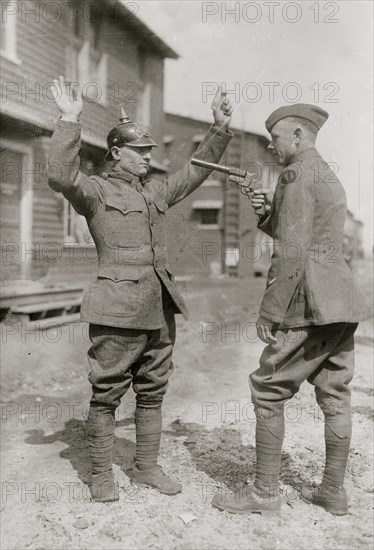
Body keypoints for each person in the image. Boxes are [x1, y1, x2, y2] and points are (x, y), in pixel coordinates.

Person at [47, 76, 233, 502]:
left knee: (153, 389)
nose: (149, 159)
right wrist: (70, 120)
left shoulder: (154, 192)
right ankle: (100, 475)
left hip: (159, 308)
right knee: (107, 391)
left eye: (150, 152)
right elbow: (60, 176)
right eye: (140, 152)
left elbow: (196, 172)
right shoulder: (95, 191)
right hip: (115, 309)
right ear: (116, 153)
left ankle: (146, 467)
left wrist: (219, 129)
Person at [212, 104, 371, 516]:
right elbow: (305, 231)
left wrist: (270, 311)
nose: (270, 144)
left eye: (276, 137)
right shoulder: (326, 175)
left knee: (268, 389)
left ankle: (264, 494)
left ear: (298, 136)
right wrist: (265, 210)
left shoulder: (296, 174)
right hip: (339, 299)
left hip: (308, 299)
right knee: (335, 393)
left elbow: (293, 248)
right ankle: (332, 492)